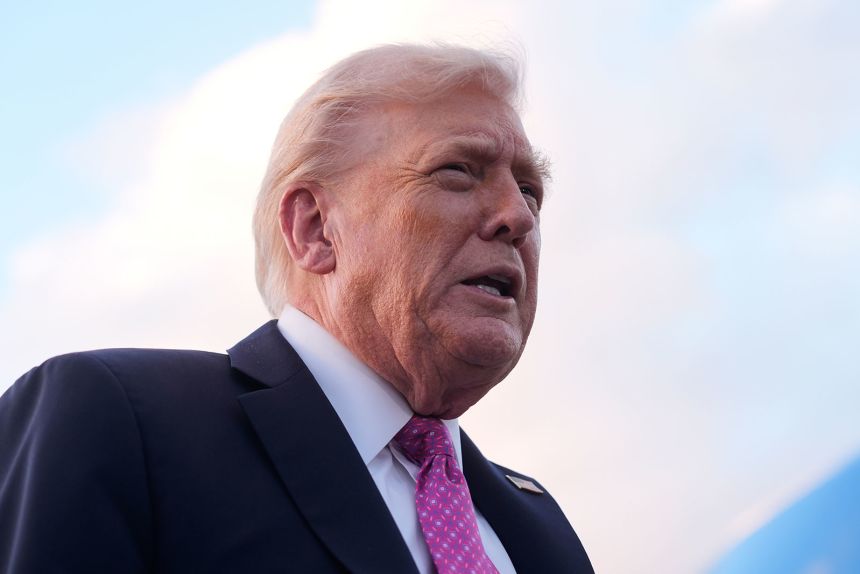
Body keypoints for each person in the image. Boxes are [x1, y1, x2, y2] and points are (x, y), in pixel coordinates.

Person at [0, 44, 593, 573]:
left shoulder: (541, 526)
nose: (516, 216)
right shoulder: (121, 421)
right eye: (458, 171)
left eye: (530, 191)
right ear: (314, 229)